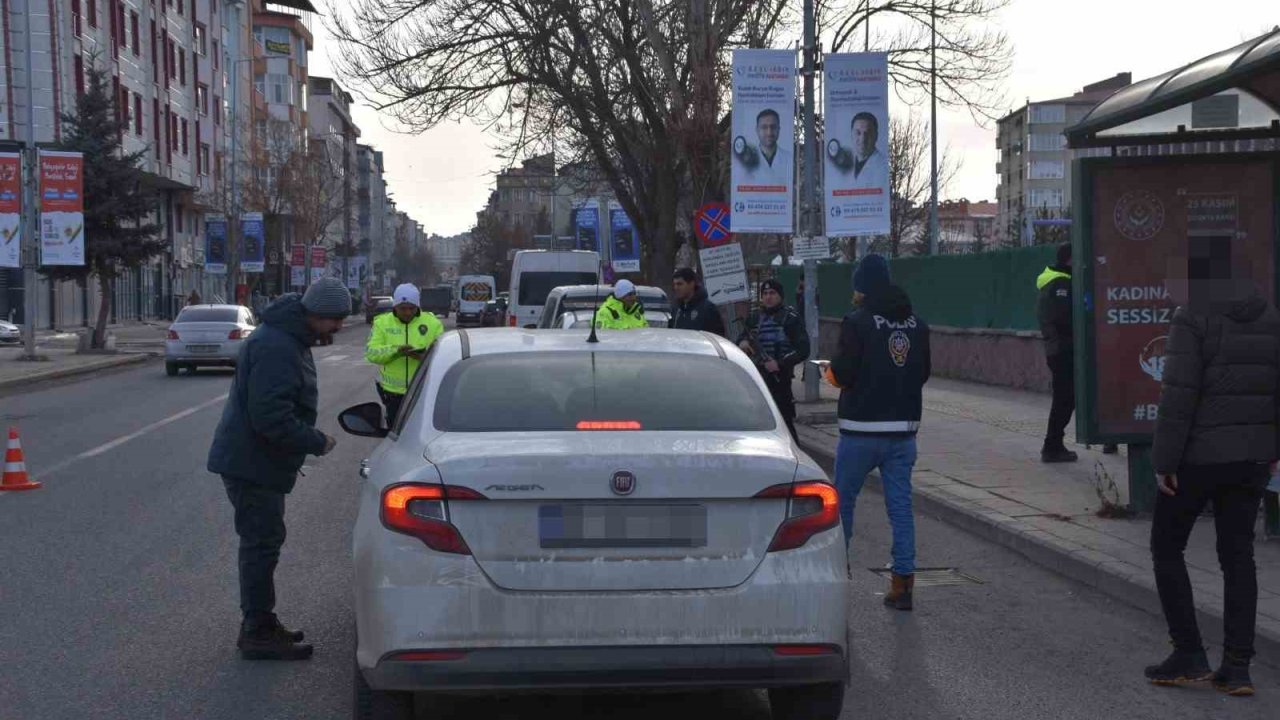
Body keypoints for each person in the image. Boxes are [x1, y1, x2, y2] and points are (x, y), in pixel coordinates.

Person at [1144, 240, 1280, 697]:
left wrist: (1164, 461)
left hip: (1199, 458)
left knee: (1166, 547)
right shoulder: (1268, 314)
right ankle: (1237, 667)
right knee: (1238, 556)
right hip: (1253, 459)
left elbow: (1178, 395)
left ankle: (1189, 653)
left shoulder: (1192, 315)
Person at [206, 277, 349, 661]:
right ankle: (257, 630)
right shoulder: (277, 346)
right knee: (260, 545)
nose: (338, 328)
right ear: (318, 314)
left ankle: (262, 623)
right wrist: (317, 441)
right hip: (251, 464)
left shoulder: (286, 337)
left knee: (263, 543)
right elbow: (270, 417)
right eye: (335, 320)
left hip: (255, 461)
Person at [824, 254, 930, 610]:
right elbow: (923, 373)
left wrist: (829, 375)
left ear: (862, 287)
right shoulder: (917, 324)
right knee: (900, 508)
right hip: (903, 432)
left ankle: (834, 575)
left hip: (860, 431)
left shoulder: (858, 322)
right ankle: (903, 585)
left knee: (842, 505)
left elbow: (843, 374)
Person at [365, 283, 445, 427]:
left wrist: (423, 358)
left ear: (418, 307)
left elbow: (443, 356)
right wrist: (396, 351)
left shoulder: (433, 324)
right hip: (393, 396)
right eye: (403, 308)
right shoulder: (382, 323)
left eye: (411, 308)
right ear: (395, 306)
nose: (407, 312)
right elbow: (372, 353)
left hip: (424, 392)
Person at [738, 279, 809, 441]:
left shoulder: (790, 318)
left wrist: (780, 363)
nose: (768, 297)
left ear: (780, 296)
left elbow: (803, 349)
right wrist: (742, 342)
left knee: (784, 424)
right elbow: (742, 337)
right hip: (756, 378)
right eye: (765, 294)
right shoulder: (755, 317)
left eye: (772, 293)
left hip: (780, 380)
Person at [669, 268, 725, 336]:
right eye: (674, 284)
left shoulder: (708, 309)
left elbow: (717, 337)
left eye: (680, 284)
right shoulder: (676, 309)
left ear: (692, 284)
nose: (676, 288)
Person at [849, 113, 889, 190]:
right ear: (851, 135)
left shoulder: (882, 166)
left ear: (876, 136)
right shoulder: (846, 162)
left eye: (867, 134)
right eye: (858, 133)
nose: (863, 139)